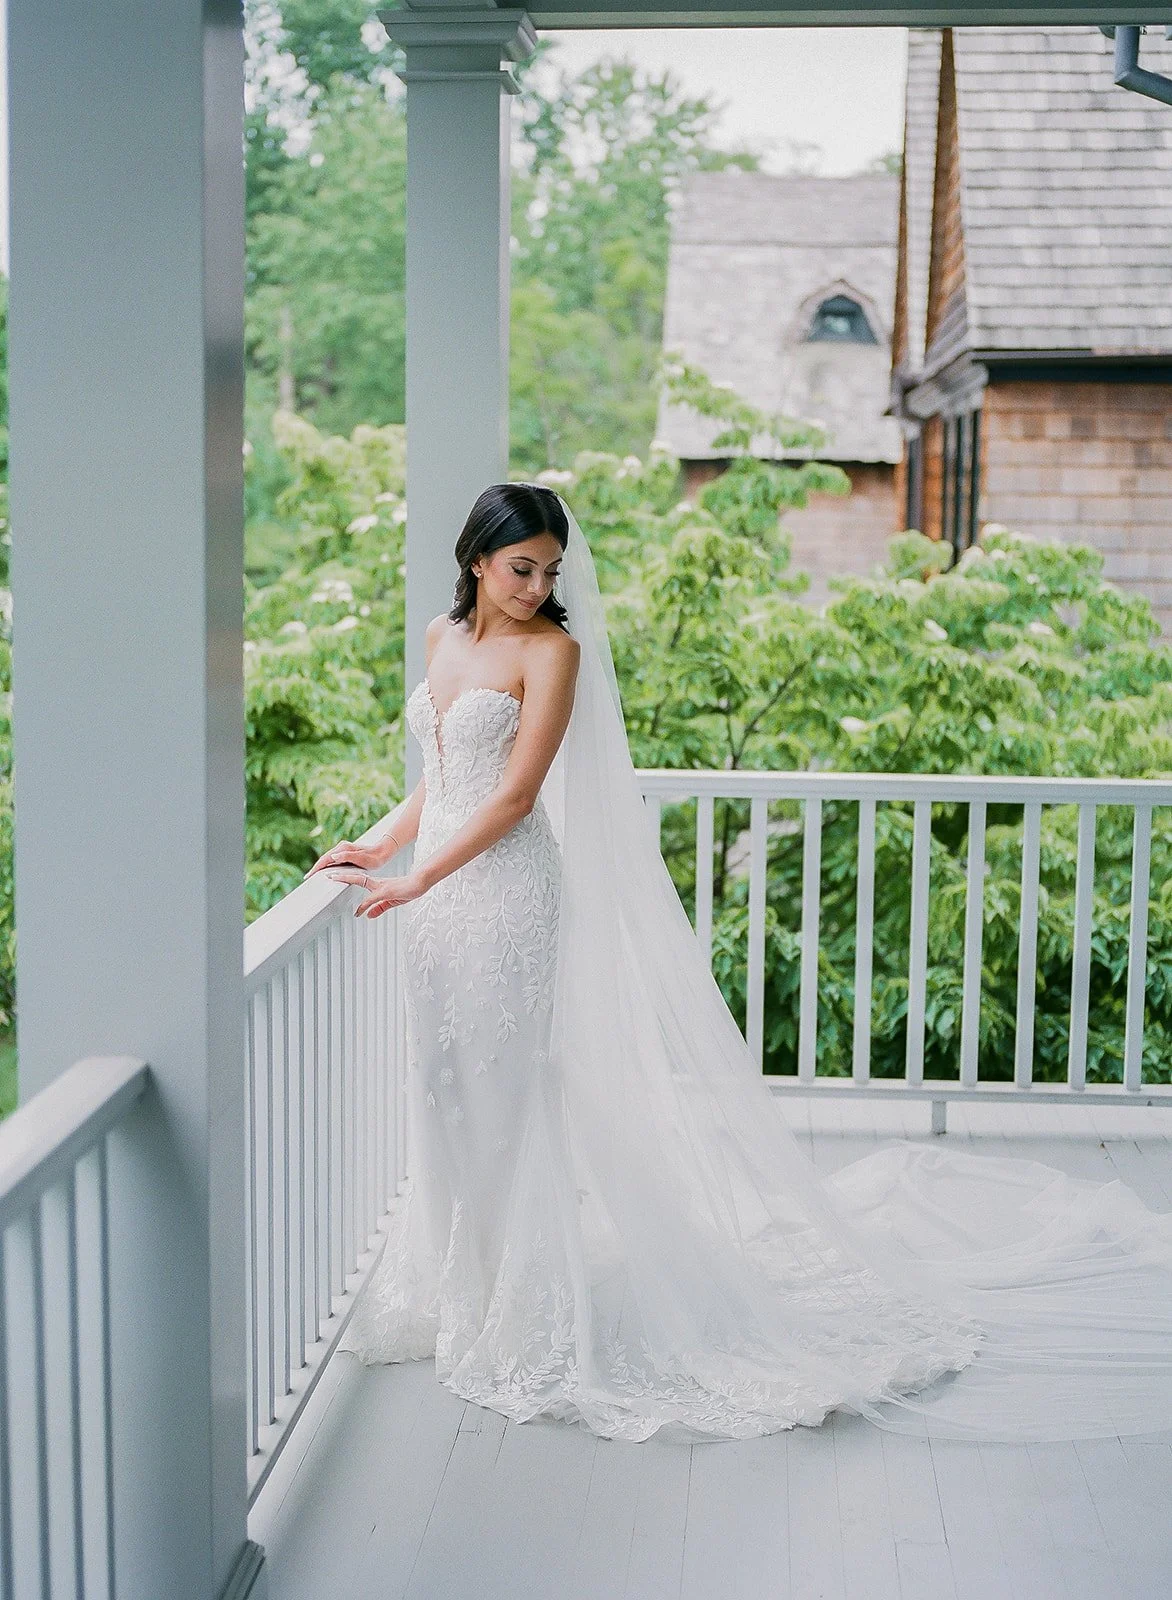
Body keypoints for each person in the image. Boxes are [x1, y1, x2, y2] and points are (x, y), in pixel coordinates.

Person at [307, 481, 1172, 1445]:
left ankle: (518, 1312)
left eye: (551, 569)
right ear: (476, 559)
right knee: (444, 1086)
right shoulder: (442, 637)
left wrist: (421, 876)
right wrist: (379, 847)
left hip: (504, 894)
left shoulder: (554, 652)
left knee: (510, 1096)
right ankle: (452, 1287)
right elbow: (439, 777)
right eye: (522, 568)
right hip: (433, 901)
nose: (539, 585)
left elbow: (510, 800)